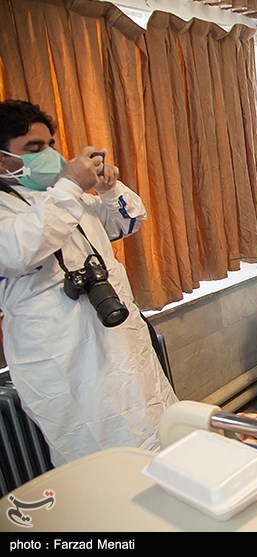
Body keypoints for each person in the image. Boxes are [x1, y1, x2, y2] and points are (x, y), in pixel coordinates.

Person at [0, 99, 179, 466]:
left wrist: (109, 188)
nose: (49, 155)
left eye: (50, 145)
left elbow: (128, 220)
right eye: (34, 148)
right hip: (66, 359)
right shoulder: (24, 205)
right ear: (2, 159)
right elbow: (19, 250)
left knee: (157, 432)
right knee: (100, 457)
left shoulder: (64, 198)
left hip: (119, 340)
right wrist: (68, 187)